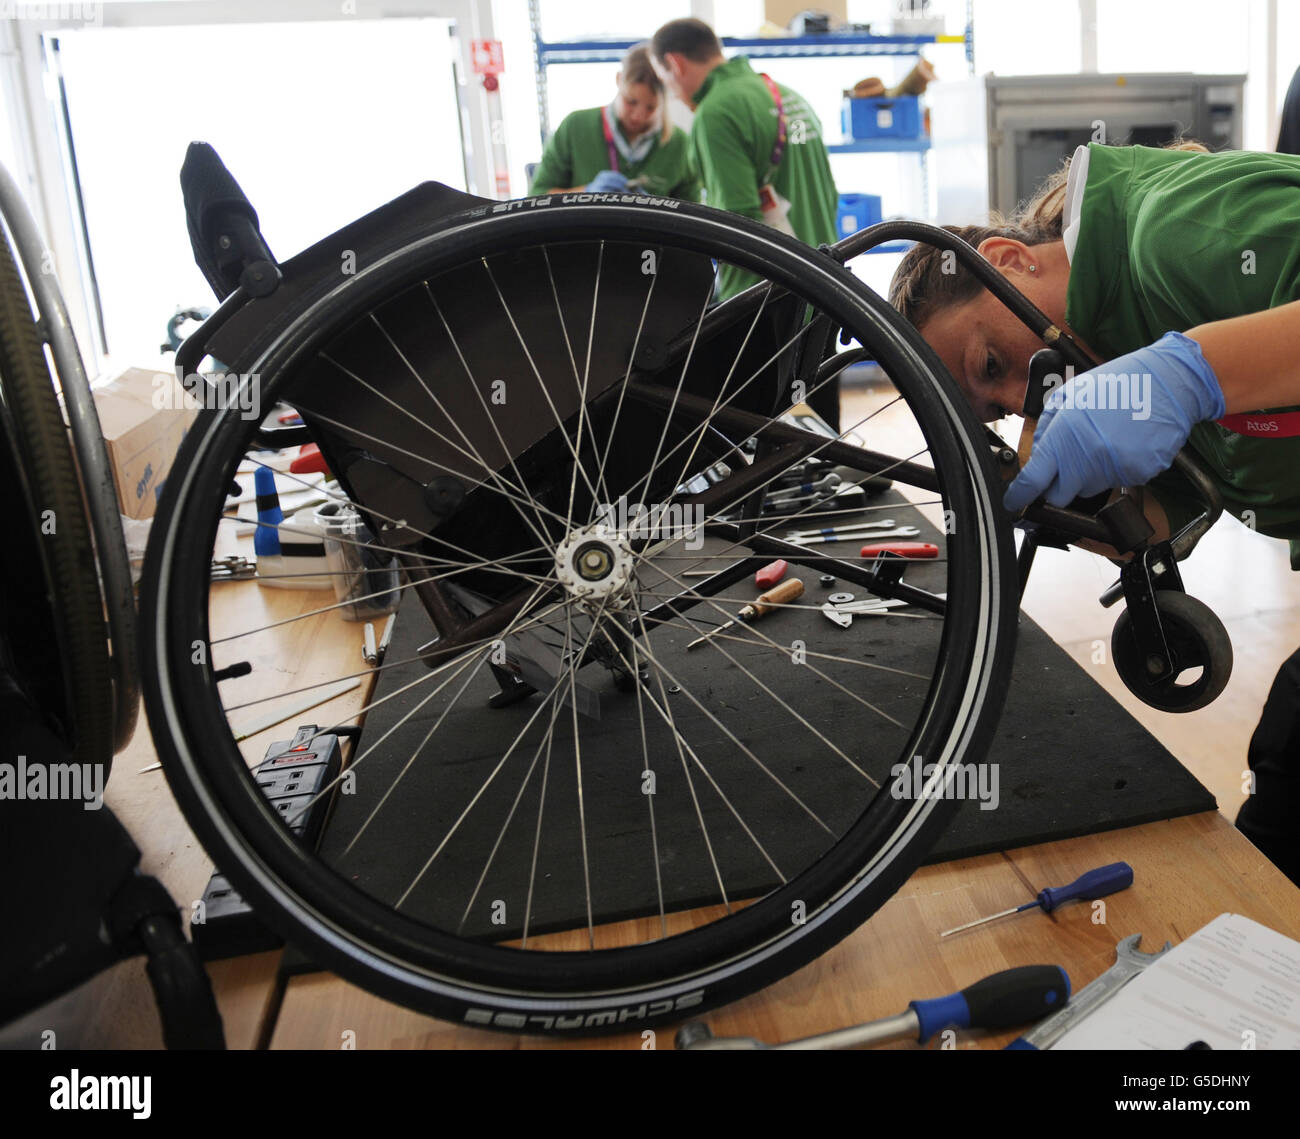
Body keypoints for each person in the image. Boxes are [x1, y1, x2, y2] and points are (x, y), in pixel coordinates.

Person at [887, 139, 1300, 883]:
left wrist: (1194, 371)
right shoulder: (1116, 351)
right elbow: (1214, 481)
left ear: (1011, 260)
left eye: (991, 365)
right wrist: (1110, 518)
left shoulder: (1166, 229)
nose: (1020, 400)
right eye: (995, 411)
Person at [650, 18, 841, 425]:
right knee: (826, 442)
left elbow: (736, 226)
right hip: (823, 284)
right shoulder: (787, 95)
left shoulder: (717, 112)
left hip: (766, 304)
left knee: (762, 443)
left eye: (665, 79)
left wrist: (725, 314)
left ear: (674, 64)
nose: (672, 93)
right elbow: (826, 193)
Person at [529, 44, 699, 201]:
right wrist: (587, 192)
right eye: (630, 101)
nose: (637, 116)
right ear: (618, 80)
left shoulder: (679, 144)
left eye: (650, 108)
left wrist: (658, 208)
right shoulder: (575, 127)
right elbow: (537, 196)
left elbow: (694, 214)